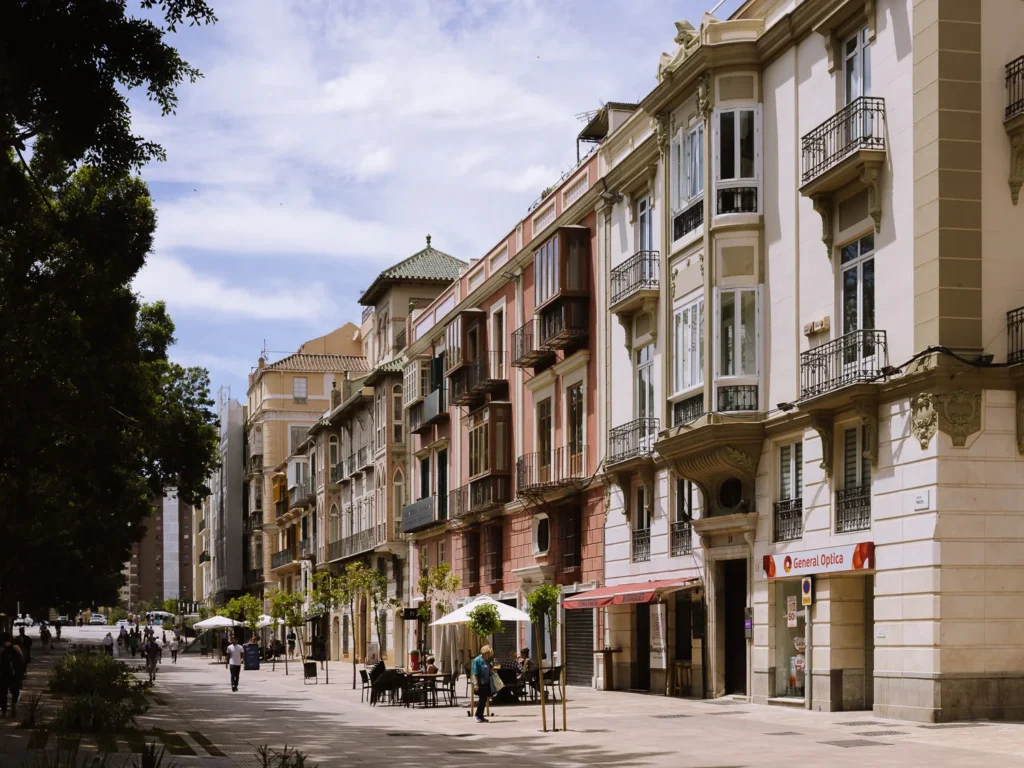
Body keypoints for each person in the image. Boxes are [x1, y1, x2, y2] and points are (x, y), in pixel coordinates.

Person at [0, 634, 25, 718]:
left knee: (3, 693)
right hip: (15, 674)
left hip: (3, 674)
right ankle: (14, 703)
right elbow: (22, 660)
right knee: (15, 691)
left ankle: (4, 711)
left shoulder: (1, 648)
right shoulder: (16, 647)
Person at [471, 645, 494, 723]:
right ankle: (477, 715)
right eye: (489, 653)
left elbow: (489, 669)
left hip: (486, 682)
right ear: (485, 652)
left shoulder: (486, 661)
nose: (489, 655)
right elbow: (475, 673)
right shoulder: (477, 660)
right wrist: (476, 684)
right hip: (480, 683)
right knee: (482, 700)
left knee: (484, 700)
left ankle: (481, 716)